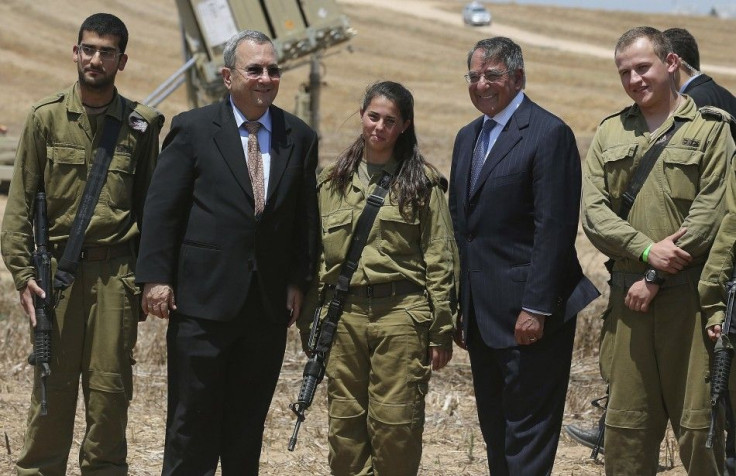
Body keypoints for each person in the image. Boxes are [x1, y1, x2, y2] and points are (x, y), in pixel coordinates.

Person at [134, 29, 318, 474]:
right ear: (227, 76)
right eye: (254, 69)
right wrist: (156, 278)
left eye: (273, 69)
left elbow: (303, 220)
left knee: (245, 427)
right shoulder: (194, 129)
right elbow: (163, 210)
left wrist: (296, 280)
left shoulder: (300, 136)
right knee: (191, 425)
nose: (266, 77)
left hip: (266, 309)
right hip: (201, 305)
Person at [0, 13, 163, 475]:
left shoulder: (141, 126)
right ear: (75, 52)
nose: (95, 59)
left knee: (110, 393)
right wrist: (23, 276)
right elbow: (18, 208)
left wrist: (149, 280)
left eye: (106, 52)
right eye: (88, 49)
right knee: (51, 392)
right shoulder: (44, 118)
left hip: (116, 275)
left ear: (122, 60)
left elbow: (151, 210)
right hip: (57, 276)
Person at [567, 26, 736, 461]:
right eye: (624, 72)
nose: (634, 80)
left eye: (643, 68)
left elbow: (713, 212)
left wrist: (655, 273)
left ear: (671, 63)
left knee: (700, 433)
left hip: (689, 303)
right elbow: (595, 215)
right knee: (626, 433)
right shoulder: (609, 134)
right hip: (629, 304)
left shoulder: (713, 130)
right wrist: (646, 253)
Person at [448, 37, 598, 475]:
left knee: (528, 437)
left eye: (492, 75)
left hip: (530, 317)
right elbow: (464, 230)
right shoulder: (467, 137)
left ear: (517, 77)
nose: (481, 84)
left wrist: (535, 307)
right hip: (481, 317)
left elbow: (553, 229)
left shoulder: (549, 133)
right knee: (496, 431)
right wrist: (462, 305)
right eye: (474, 76)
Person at [299, 80, 458, 475]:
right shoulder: (331, 183)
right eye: (373, 116)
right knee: (345, 429)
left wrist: (441, 330)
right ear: (362, 116)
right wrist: (310, 324)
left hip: (401, 317)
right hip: (344, 318)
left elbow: (440, 258)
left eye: (390, 120)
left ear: (404, 125)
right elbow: (315, 259)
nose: (379, 127)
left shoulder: (421, 183)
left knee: (396, 426)